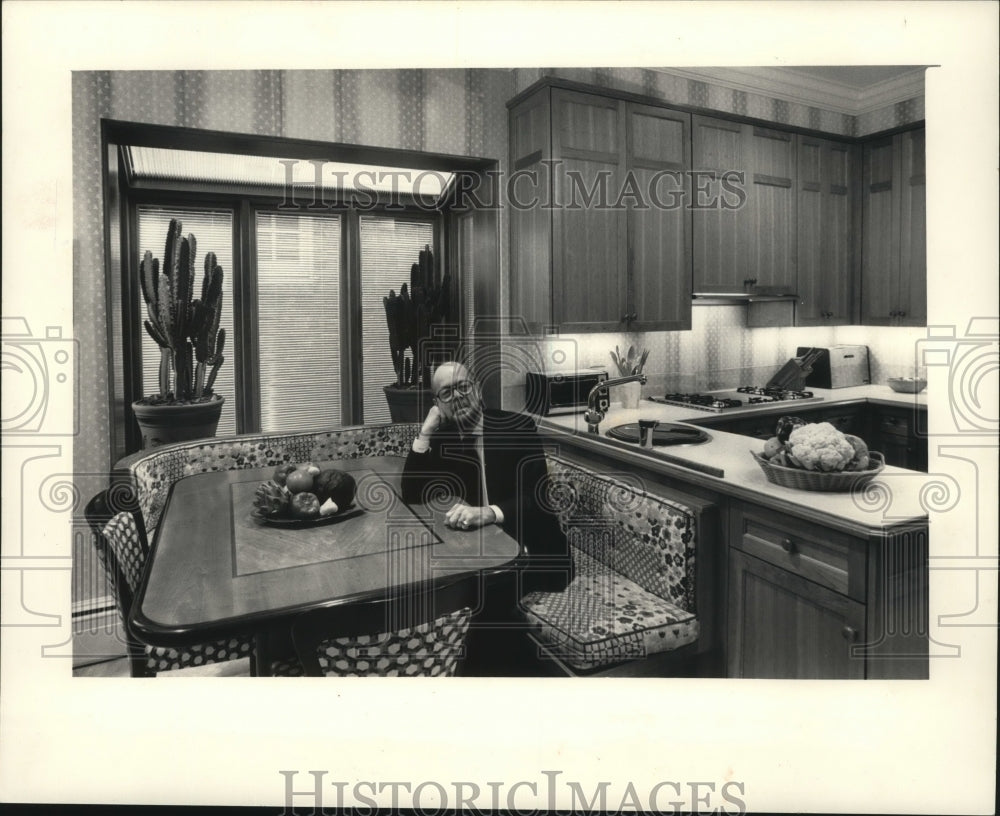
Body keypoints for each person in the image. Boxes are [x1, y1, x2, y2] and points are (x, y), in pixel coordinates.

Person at [401, 361, 574, 674]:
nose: (459, 397)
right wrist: (425, 432)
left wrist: (490, 513)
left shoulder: (518, 427)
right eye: (447, 393)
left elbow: (537, 500)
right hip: (477, 557)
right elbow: (413, 494)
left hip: (533, 553)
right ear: (438, 404)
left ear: (477, 390)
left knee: (474, 602)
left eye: (464, 387)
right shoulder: (444, 440)